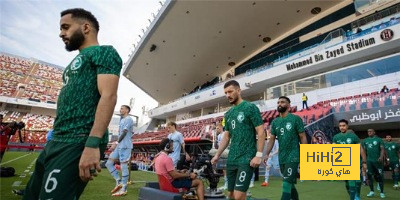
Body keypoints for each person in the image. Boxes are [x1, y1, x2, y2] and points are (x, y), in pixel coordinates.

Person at [23, 8, 122, 200]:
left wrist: (93, 144)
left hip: (78, 141)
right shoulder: (75, 61)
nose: (61, 33)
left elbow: (108, 96)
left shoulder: (105, 52)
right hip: (57, 140)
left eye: (66, 27)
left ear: (86, 27)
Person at [211, 80, 265, 200]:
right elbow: (226, 136)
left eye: (230, 91)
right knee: (231, 194)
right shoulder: (228, 114)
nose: (228, 95)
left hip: (246, 158)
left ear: (239, 91)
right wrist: (217, 155)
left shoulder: (250, 108)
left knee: (239, 195)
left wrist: (259, 155)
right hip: (232, 158)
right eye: (225, 93)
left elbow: (261, 132)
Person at [265, 96, 308, 200]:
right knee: (290, 184)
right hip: (282, 157)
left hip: (293, 155)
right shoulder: (275, 122)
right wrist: (266, 154)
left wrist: (306, 153)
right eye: (278, 102)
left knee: (286, 184)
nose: (280, 104)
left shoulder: (295, 119)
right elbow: (271, 139)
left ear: (289, 105)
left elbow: (302, 137)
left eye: (283, 102)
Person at [332, 119, 367, 200]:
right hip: (343, 162)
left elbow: (360, 149)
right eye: (340, 126)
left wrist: (364, 161)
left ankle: (356, 196)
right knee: (347, 181)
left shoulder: (353, 136)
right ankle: (355, 195)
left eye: (343, 126)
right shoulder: (336, 137)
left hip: (355, 161)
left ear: (347, 126)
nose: (342, 127)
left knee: (353, 180)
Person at [106, 105, 134, 196]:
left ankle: (124, 189)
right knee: (109, 163)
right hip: (119, 146)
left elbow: (125, 132)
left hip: (125, 146)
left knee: (124, 166)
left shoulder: (129, 119)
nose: (120, 110)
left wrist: (116, 143)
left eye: (122, 108)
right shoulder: (121, 120)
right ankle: (119, 181)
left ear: (127, 110)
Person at [362, 129, 385, 198]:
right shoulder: (365, 140)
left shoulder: (379, 140)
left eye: (371, 131)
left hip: (378, 161)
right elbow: (364, 151)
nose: (369, 132)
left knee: (380, 176)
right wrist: (364, 160)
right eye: (368, 132)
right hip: (369, 161)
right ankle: (372, 191)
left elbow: (382, 149)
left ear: (374, 132)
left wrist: (381, 156)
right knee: (369, 176)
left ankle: (381, 192)